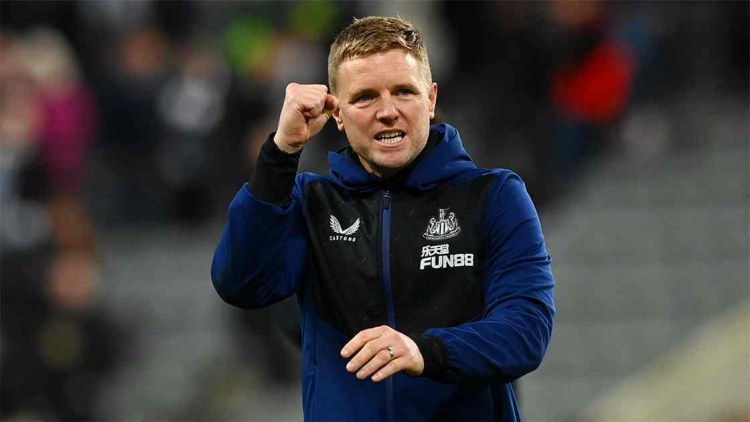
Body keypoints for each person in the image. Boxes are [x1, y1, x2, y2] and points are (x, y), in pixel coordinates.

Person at [211, 16, 555, 421]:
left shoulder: (493, 196)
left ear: (430, 99)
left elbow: (526, 329)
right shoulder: (312, 203)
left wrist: (424, 351)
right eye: (365, 97)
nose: (388, 111)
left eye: (404, 91)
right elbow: (241, 283)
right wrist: (280, 153)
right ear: (338, 114)